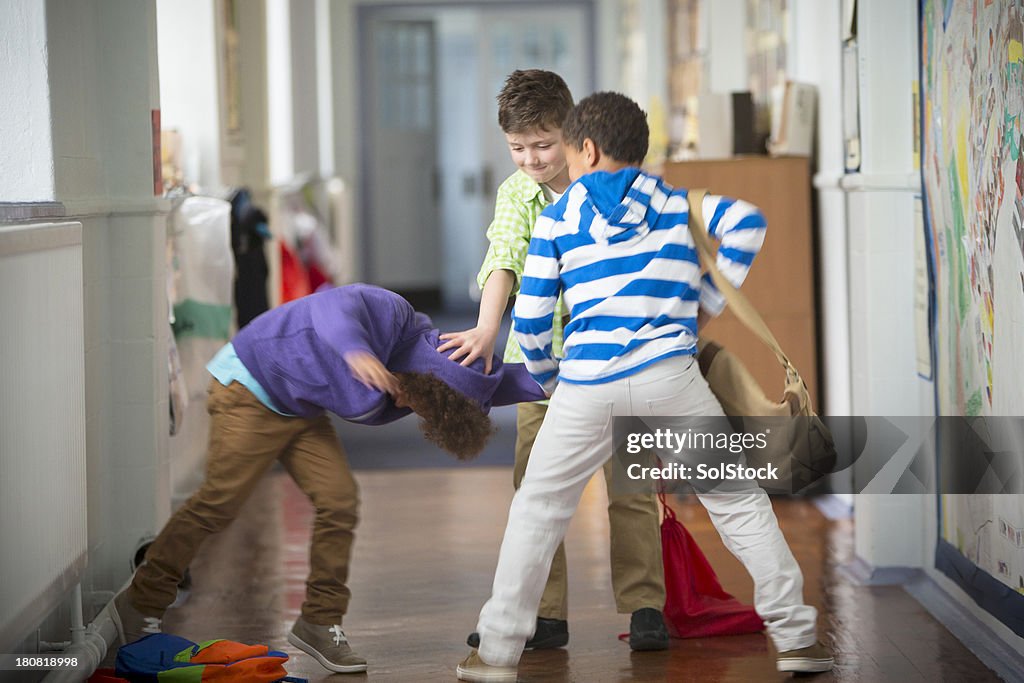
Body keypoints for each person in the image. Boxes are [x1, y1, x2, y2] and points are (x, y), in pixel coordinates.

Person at [456, 92, 834, 682]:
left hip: (584, 383)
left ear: (586, 148)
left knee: (537, 510)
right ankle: (798, 637)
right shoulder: (677, 202)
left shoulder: (560, 217)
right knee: (737, 505)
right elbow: (748, 223)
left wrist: (555, 379)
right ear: (640, 148)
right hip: (672, 380)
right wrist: (702, 308)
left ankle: (497, 654)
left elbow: (530, 322)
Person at [109, 283, 545, 675]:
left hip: (299, 409)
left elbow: (511, 381)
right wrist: (356, 350)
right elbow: (331, 307)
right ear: (431, 376)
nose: (412, 408)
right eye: (422, 400)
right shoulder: (392, 314)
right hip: (250, 385)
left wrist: (577, 375)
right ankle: (141, 602)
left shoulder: (444, 385)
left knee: (339, 501)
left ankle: (319, 621)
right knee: (219, 503)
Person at [439, 69, 669, 652]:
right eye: (517, 149)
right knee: (535, 490)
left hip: (620, 360)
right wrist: (490, 326)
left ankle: (645, 607)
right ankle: (543, 614)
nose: (532, 160)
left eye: (543, 145)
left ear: (572, 135)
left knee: (630, 485)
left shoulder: (614, 181)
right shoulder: (516, 194)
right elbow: (503, 258)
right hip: (540, 369)